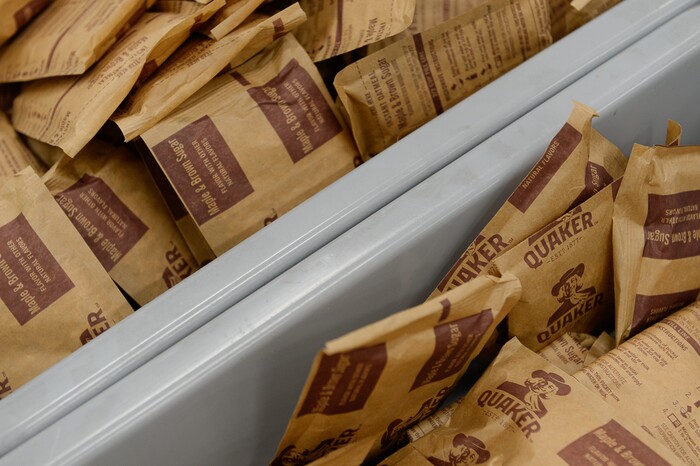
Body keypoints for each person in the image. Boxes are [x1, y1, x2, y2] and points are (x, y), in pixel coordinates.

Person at [497, 370, 571, 418]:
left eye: (550, 387)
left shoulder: (542, 410)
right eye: (544, 382)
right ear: (537, 380)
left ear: (551, 391)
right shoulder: (509, 386)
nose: (543, 387)